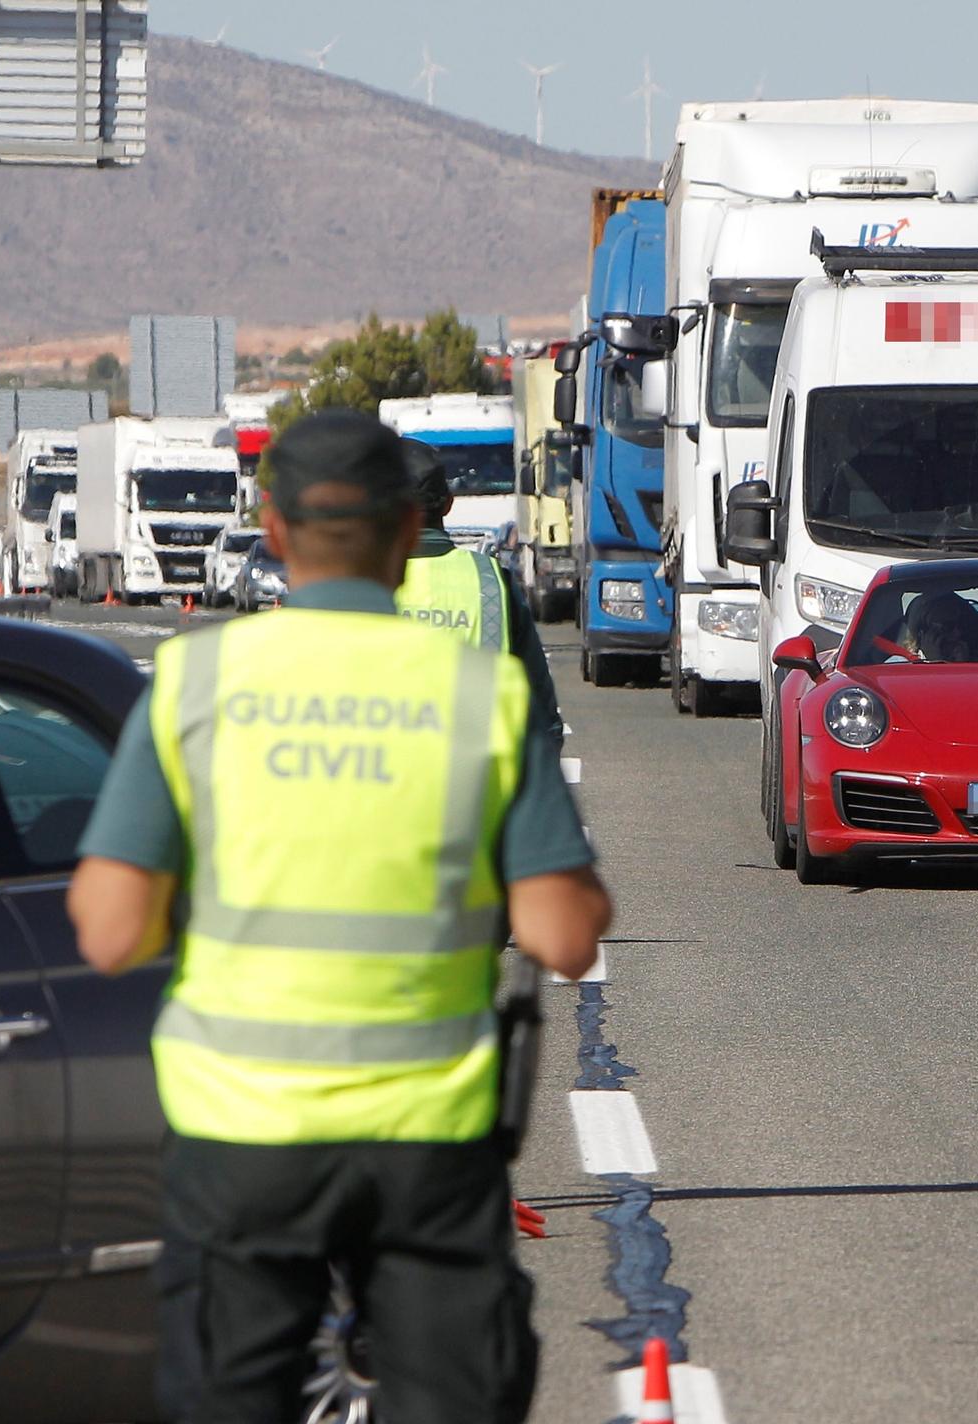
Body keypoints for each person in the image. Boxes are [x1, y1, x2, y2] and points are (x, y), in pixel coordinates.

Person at [67, 409, 609, 1423]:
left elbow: (106, 929)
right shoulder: (475, 696)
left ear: (270, 531)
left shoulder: (196, 680)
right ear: (411, 530)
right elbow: (564, 934)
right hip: (426, 1142)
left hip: (241, 1138)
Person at [396, 438, 564, 749]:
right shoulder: (491, 580)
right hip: (483, 778)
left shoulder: (361, 585)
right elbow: (541, 709)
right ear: (448, 504)